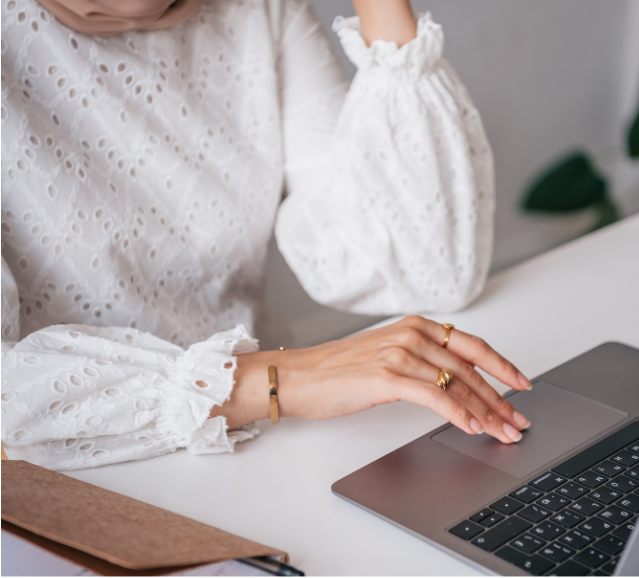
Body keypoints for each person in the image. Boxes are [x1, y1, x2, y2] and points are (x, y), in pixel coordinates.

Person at [0, 0, 532, 471]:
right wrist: (286, 379)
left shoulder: (260, 10)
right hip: (81, 476)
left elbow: (431, 274)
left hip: (267, 445)